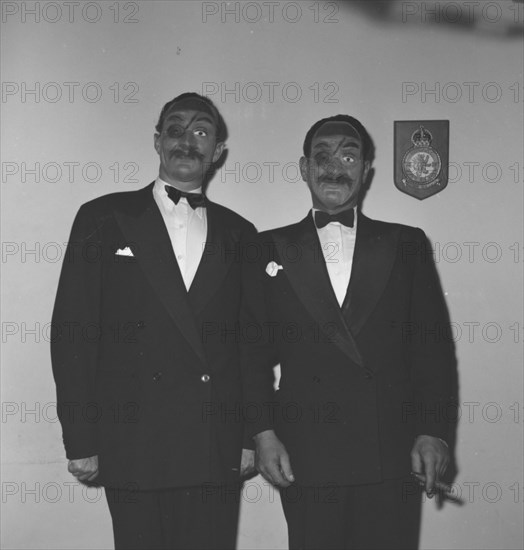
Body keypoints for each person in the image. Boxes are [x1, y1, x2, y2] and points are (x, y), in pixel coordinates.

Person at [51, 92, 256, 550]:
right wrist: (80, 436)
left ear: (218, 150)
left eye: (201, 131)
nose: (188, 140)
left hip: (212, 442)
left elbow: (249, 346)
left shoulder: (241, 233)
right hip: (133, 438)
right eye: (176, 129)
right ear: (158, 141)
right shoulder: (103, 217)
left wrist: (248, 436)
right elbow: (72, 332)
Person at [243, 115, 454, 550]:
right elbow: (250, 354)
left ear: (366, 170)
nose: (334, 167)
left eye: (348, 155)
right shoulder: (267, 247)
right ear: (304, 169)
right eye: (321, 156)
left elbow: (431, 350)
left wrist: (433, 431)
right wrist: (262, 433)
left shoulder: (406, 243)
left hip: (391, 445)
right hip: (306, 449)